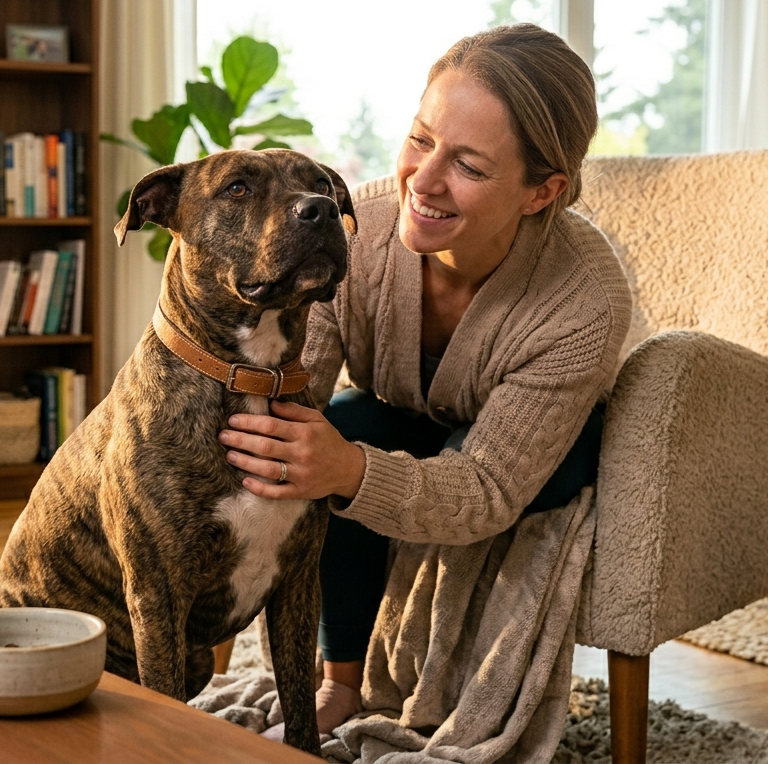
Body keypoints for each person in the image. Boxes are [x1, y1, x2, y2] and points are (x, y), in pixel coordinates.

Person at [218, 23, 632, 738]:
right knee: (336, 427)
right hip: (406, 416)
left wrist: (351, 469)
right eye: (420, 139)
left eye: (468, 165)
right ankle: (339, 679)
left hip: (533, 455)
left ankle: (447, 686)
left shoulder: (583, 301)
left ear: (542, 191)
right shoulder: (355, 233)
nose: (425, 180)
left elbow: (488, 487)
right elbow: (293, 394)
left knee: (359, 454)